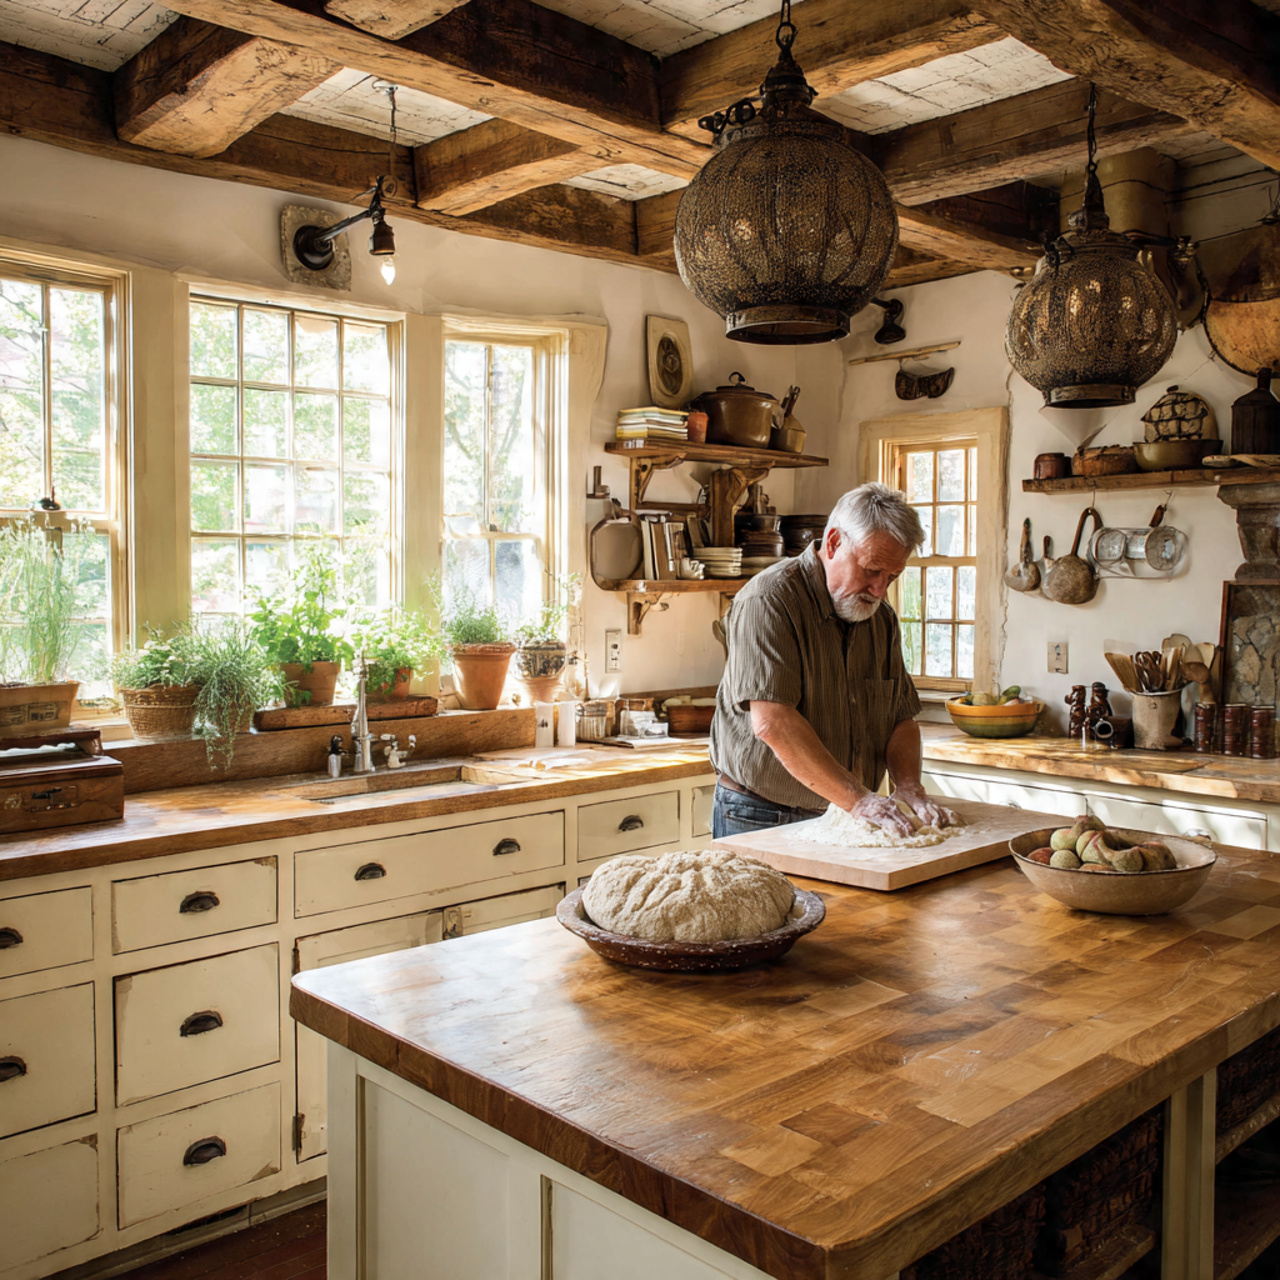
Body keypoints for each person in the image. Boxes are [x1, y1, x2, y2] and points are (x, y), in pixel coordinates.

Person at [710, 482, 957, 840]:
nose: (880, 590)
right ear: (834, 543)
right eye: (872, 570)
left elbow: (900, 719)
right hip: (761, 813)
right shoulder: (768, 602)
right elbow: (772, 723)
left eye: (892, 576)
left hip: (845, 812)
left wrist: (908, 786)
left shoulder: (880, 618)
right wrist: (860, 801)